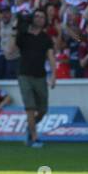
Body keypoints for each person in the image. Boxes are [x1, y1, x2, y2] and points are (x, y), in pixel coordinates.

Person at [15, 9, 58, 148]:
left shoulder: (46, 38)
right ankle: (34, 137)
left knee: (43, 109)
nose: (39, 19)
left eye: (42, 17)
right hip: (24, 75)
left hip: (40, 76)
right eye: (37, 16)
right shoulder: (24, 36)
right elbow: (13, 45)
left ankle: (30, 126)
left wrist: (54, 75)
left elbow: (51, 57)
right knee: (30, 107)